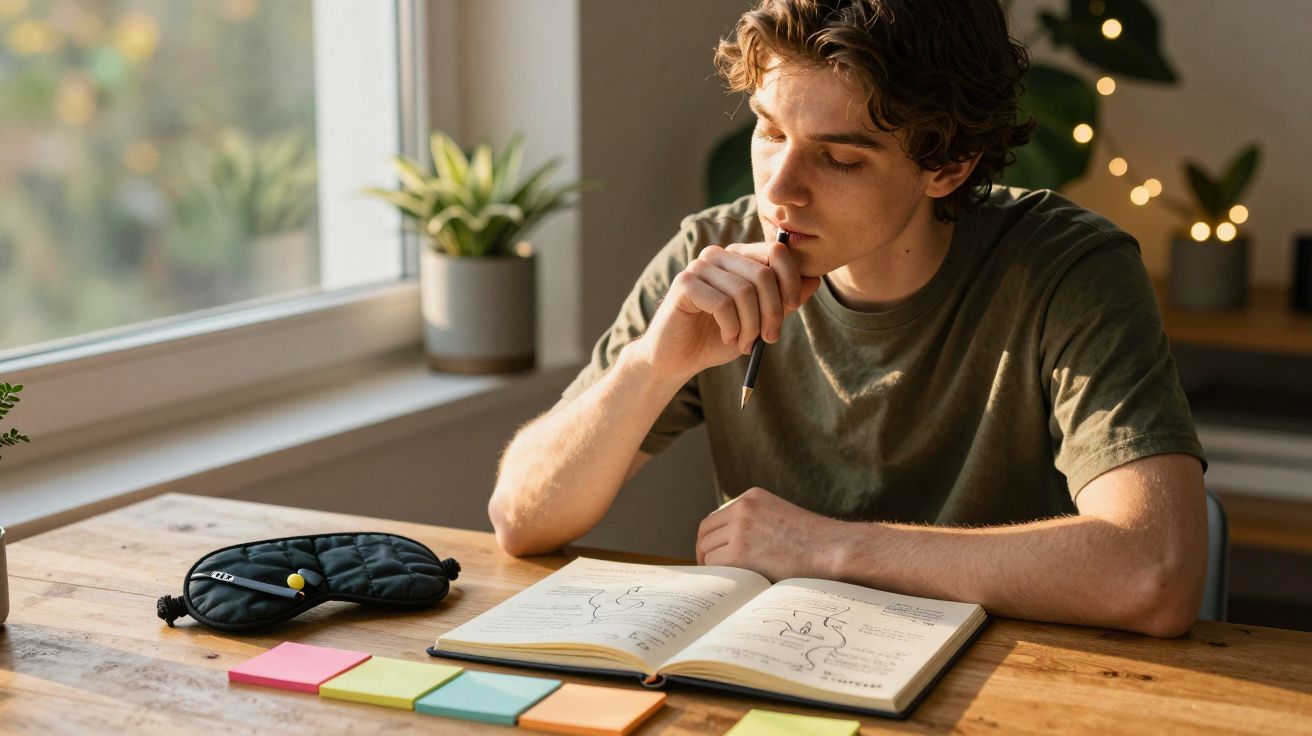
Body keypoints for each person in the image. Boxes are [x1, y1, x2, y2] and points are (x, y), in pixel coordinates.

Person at [488, 0, 1209, 638]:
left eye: (837, 158)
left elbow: (1153, 572)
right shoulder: (712, 257)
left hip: (1008, 680)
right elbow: (520, 519)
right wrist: (651, 366)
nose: (779, 189)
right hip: (776, 668)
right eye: (770, 131)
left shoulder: (1068, 271)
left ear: (949, 166)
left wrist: (829, 549)